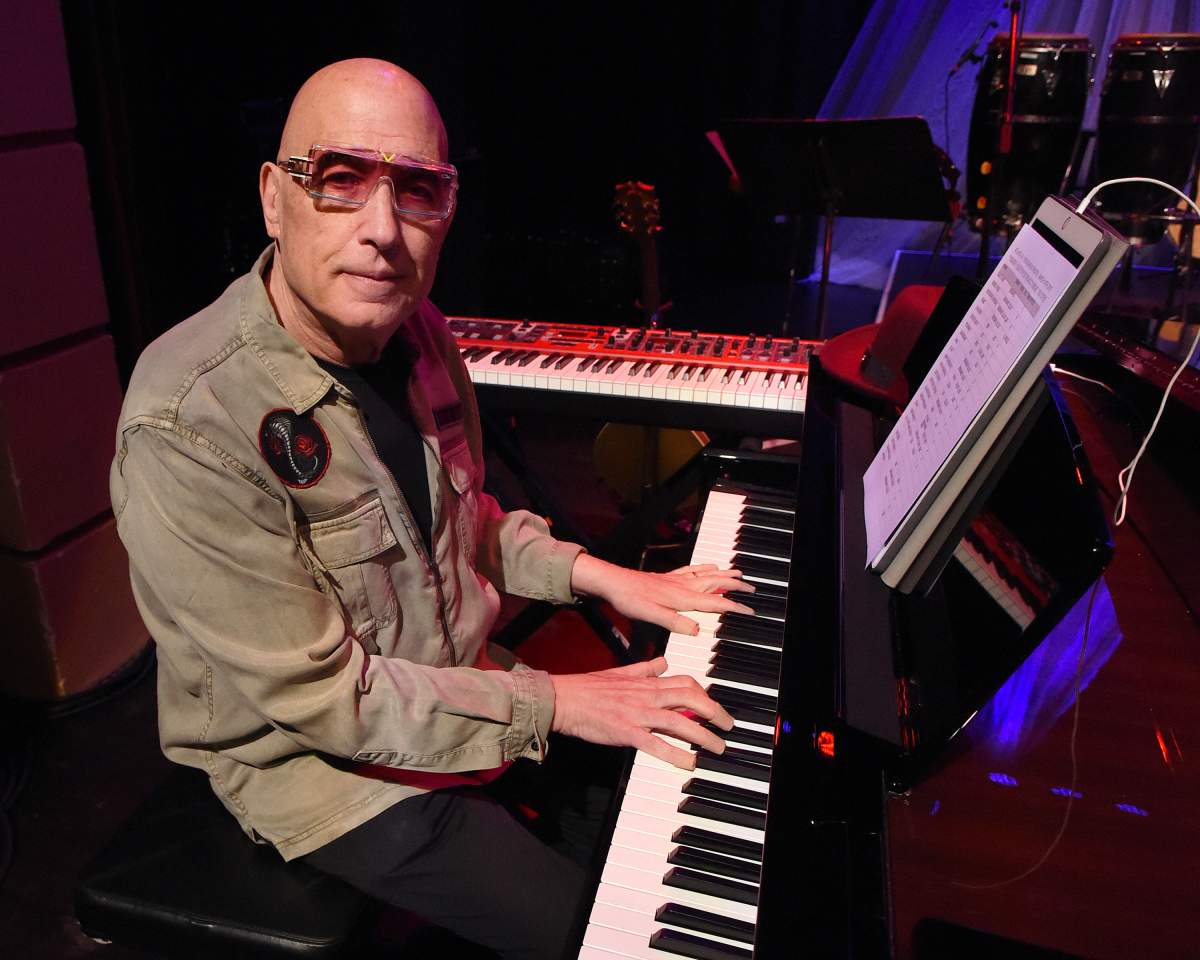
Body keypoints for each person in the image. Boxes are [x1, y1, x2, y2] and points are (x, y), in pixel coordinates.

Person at [110, 58, 754, 959]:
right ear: (273, 198)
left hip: (457, 691)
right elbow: (329, 701)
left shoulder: (419, 335)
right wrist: (558, 702)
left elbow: (467, 523)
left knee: (700, 799)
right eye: (340, 181)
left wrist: (611, 578)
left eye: (417, 191)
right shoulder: (188, 420)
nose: (383, 231)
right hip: (324, 776)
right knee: (612, 936)